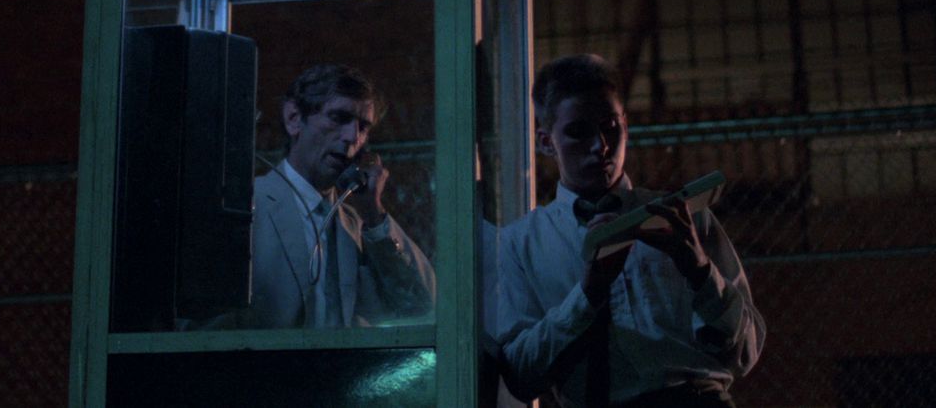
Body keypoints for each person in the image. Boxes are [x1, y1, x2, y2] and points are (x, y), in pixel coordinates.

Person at [497, 54, 764, 407]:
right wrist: (587, 295)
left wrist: (699, 269)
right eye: (579, 131)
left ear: (626, 125)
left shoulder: (686, 218)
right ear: (546, 143)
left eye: (610, 127)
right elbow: (519, 376)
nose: (601, 146)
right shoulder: (520, 245)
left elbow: (746, 352)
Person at [249, 63, 435, 328]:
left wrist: (374, 216)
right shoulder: (252, 207)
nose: (352, 137)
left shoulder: (356, 225)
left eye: (363, 127)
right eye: (338, 118)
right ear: (293, 118)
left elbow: (421, 306)